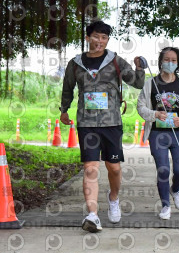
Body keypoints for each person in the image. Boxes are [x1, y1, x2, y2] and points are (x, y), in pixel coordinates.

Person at [60, 20, 145, 233]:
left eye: (104, 37)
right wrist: (64, 110)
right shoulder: (75, 63)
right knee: (90, 168)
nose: (100, 41)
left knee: (114, 168)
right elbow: (68, 88)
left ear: (107, 40)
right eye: (96, 36)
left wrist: (139, 68)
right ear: (88, 38)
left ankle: (113, 198)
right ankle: (93, 215)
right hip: (86, 123)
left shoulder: (115, 60)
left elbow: (137, 83)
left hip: (111, 123)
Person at [137, 47, 179, 220]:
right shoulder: (150, 84)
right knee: (163, 170)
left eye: (173, 60)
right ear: (160, 62)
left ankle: (175, 190)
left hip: (178, 133)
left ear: (177, 63)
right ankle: (165, 205)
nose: (170, 63)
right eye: (167, 60)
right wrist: (155, 114)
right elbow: (141, 106)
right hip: (158, 134)